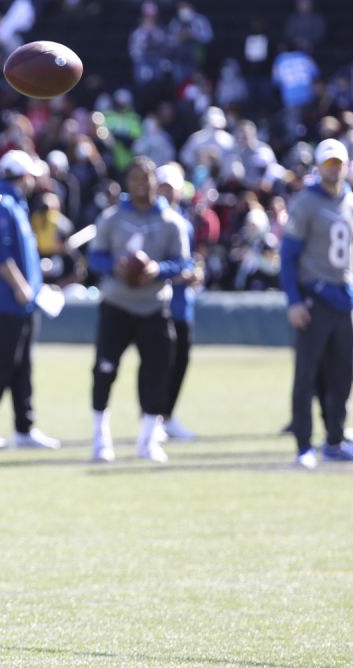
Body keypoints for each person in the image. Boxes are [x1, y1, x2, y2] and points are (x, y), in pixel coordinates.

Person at [279, 139, 353, 469]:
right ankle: (304, 446)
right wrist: (294, 301)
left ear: (346, 166)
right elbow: (288, 257)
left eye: (338, 164)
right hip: (315, 298)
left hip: (346, 300)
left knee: (343, 375)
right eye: (328, 164)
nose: (333, 169)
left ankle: (335, 441)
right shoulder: (306, 203)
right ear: (319, 167)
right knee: (306, 375)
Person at [87, 156, 193, 463]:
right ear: (126, 182)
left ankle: (147, 439)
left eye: (146, 178)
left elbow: (184, 262)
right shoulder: (111, 218)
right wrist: (116, 267)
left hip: (154, 306)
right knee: (104, 371)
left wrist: (157, 269)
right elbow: (95, 259)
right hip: (117, 304)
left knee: (157, 373)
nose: (140, 184)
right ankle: (100, 438)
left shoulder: (170, 220)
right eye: (134, 178)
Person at [0, 150, 60, 450]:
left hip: (22, 300)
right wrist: (20, 286)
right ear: (23, 176)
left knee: (22, 365)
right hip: (5, 299)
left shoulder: (15, 201)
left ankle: (24, 428)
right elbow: (0, 252)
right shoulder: (3, 202)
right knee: (5, 364)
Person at [155, 163, 200, 441]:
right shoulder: (155, 219)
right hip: (160, 303)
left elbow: (189, 259)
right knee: (160, 363)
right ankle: (154, 417)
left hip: (183, 304)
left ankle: (167, 416)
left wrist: (195, 272)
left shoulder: (183, 219)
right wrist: (179, 274)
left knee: (181, 361)